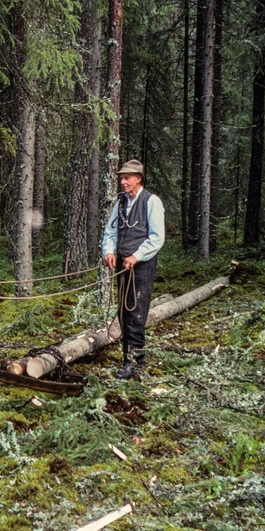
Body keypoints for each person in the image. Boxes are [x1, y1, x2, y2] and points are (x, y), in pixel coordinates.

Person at [101, 159, 165, 379]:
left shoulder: (151, 201)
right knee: (123, 311)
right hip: (122, 265)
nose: (122, 181)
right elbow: (110, 232)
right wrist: (109, 251)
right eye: (121, 177)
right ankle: (127, 359)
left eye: (127, 177)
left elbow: (157, 238)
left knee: (135, 312)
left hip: (142, 266)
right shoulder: (120, 202)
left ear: (138, 178)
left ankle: (135, 363)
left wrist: (136, 256)